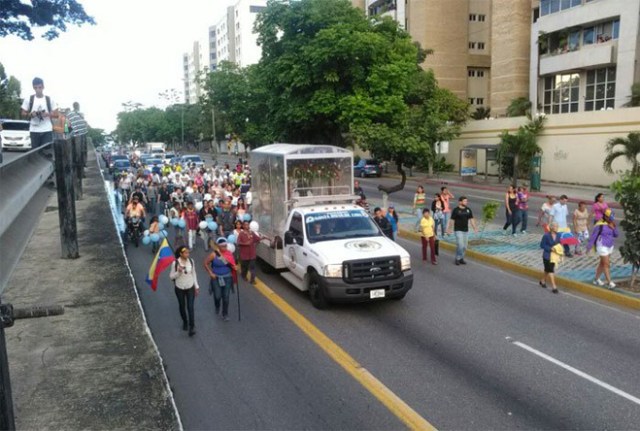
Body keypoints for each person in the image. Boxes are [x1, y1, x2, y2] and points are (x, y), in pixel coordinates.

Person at [169, 246, 199, 336]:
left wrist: (196, 286)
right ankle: (185, 322)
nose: (187, 254)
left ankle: (192, 327)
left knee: (190, 307)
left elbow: (194, 273)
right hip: (179, 288)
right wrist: (178, 272)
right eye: (185, 253)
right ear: (181, 254)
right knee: (182, 306)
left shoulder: (191, 261)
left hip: (190, 287)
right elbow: (171, 277)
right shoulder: (175, 263)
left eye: (188, 253)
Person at [20, 77, 58, 149]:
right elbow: (23, 113)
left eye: (40, 87)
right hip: (34, 130)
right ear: (33, 88)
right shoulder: (29, 99)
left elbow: (57, 115)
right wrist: (30, 114)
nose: (38, 90)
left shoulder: (49, 99)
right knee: (35, 153)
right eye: (36, 88)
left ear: (43, 87)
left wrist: (47, 114)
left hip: (47, 130)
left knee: (47, 152)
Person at [204, 237, 237, 322]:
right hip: (216, 278)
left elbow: (233, 264)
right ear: (218, 246)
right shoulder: (213, 254)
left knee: (226, 297)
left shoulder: (229, 254)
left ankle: (225, 314)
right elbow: (205, 263)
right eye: (223, 246)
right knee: (218, 296)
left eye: (226, 246)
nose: (224, 248)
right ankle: (217, 306)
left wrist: (235, 267)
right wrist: (211, 273)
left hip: (227, 278)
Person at [587, 208, 619, 289]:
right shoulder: (600, 225)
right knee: (606, 264)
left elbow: (616, 235)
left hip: (610, 246)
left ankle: (596, 279)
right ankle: (609, 282)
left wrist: (613, 228)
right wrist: (589, 247)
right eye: (610, 218)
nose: (611, 219)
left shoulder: (612, 223)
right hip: (602, 246)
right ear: (606, 217)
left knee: (602, 263)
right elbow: (593, 236)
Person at [446, 196, 478, 265]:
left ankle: (461, 258)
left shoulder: (468, 210)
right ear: (460, 202)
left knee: (465, 247)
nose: (466, 202)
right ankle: (457, 258)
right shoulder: (456, 210)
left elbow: (471, 219)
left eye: (466, 201)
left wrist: (475, 228)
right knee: (460, 245)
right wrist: (449, 229)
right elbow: (452, 220)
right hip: (458, 230)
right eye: (464, 201)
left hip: (465, 230)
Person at [539, 222, 561, 294]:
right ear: (551, 227)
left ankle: (542, 281)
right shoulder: (546, 236)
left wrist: (559, 249)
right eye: (556, 226)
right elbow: (542, 245)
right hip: (547, 256)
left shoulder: (558, 235)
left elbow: (559, 244)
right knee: (551, 270)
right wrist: (550, 248)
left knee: (547, 270)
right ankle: (554, 287)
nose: (557, 227)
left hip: (554, 256)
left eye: (557, 226)